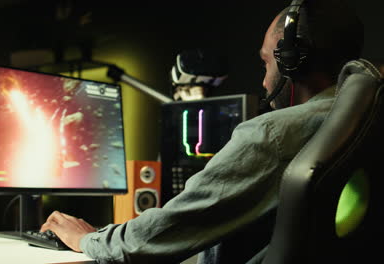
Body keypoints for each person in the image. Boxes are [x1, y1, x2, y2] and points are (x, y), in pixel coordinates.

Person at [40, 1, 374, 263]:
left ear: (291, 62)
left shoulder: (272, 135)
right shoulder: (363, 120)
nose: (263, 80)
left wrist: (86, 238)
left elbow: (148, 241)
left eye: (266, 64)